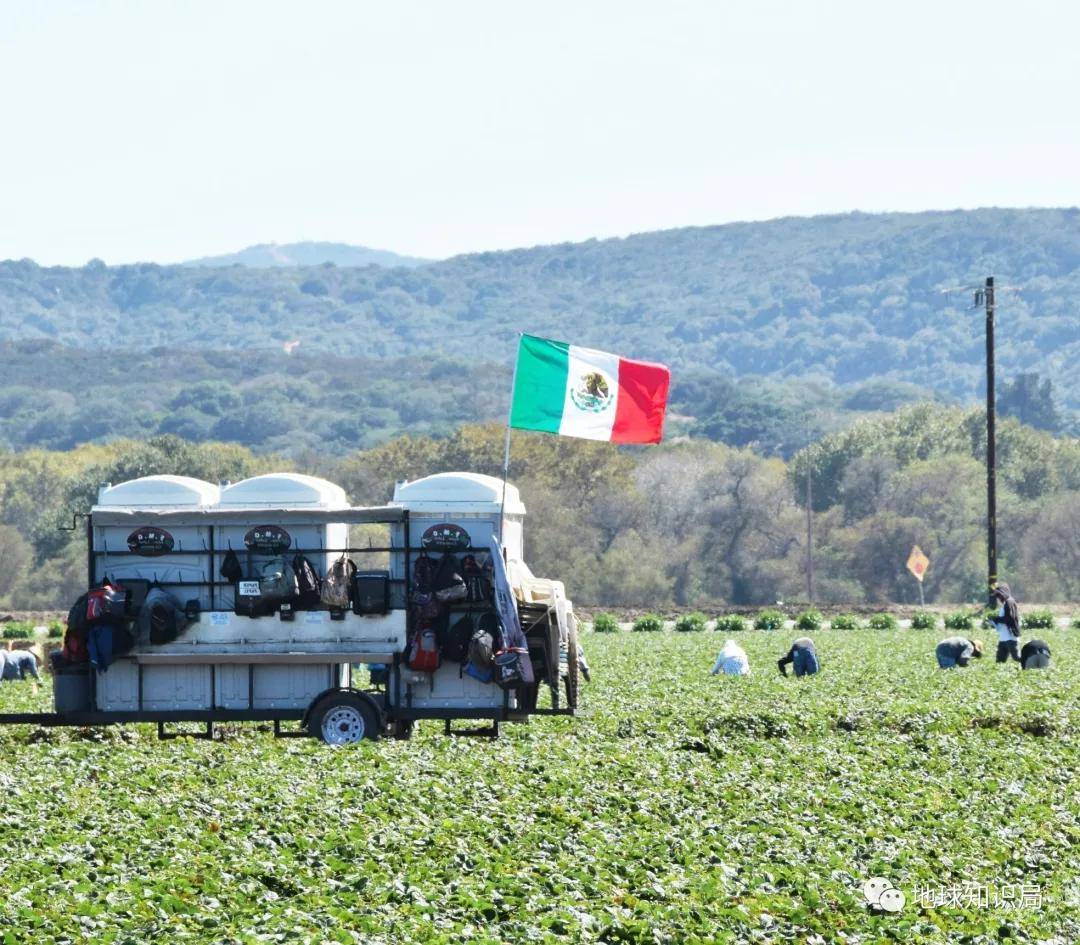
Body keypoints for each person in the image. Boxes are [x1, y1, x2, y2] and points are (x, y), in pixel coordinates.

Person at [991, 583, 1021, 663]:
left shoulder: (1009, 602)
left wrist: (997, 619)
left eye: (999, 595)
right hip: (1003, 638)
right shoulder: (1006, 603)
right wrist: (996, 620)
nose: (998, 598)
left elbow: (1010, 618)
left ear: (1004, 593)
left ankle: (1033, 663)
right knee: (999, 661)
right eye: (997, 596)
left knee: (1017, 658)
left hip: (1010, 638)